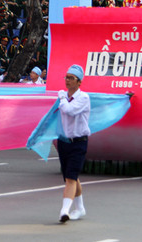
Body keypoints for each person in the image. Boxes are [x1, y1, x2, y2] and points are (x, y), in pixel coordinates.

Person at [56, 65, 90, 223]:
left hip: (79, 142)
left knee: (70, 178)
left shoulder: (83, 98)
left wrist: (62, 98)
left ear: (79, 81)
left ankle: (64, 211)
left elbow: (70, 110)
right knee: (71, 177)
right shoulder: (63, 97)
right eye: (66, 77)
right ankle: (80, 208)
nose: (67, 80)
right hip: (64, 142)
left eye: (71, 78)